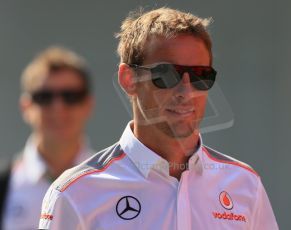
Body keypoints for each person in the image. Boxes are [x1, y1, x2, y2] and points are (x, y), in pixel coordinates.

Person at [39, 8, 278, 230]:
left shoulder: (246, 185)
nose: (186, 92)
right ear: (128, 79)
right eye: (166, 74)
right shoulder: (75, 193)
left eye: (200, 76)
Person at [0, 47, 94, 230]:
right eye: (44, 97)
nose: (58, 108)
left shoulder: (114, 181)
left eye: (71, 96)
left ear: (88, 104)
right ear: (26, 107)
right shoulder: (4, 184)